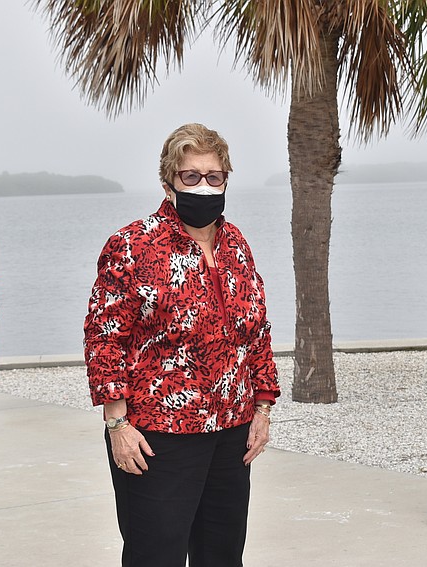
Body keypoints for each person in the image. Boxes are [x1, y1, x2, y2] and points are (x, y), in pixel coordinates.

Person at [83, 123, 280, 566]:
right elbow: (104, 338)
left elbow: (257, 332)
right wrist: (117, 425)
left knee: (223, 556)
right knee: (155, 556)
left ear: (226, 179)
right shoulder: (132, 245)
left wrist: (263, 409)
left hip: (232, 434)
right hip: (157, 436)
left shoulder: (237, 246)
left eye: (214, 176)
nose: (204, 186)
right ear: (169, 183)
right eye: (191, 176)